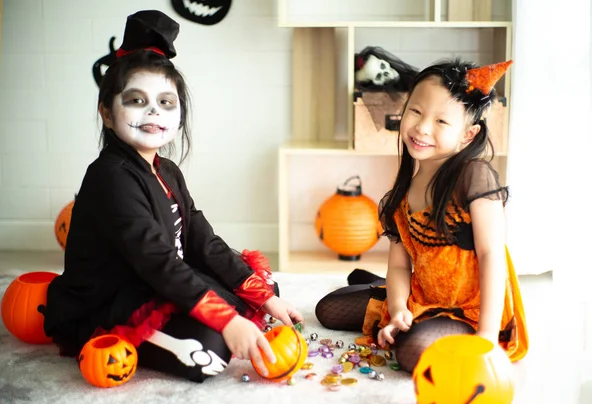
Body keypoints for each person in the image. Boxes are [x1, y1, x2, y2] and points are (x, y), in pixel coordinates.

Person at [42, 10, 303, 383]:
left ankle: (228, 314)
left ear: (179, 116)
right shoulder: (109, 177)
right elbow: (156, 261)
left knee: (260, 292)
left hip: (160, 280)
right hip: (115, 298)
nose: (153, 111)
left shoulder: (167, 170)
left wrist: (264, 297)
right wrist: (226, 321)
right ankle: (126, 336)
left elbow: (202, 241)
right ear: (107, 113)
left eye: (166, 102)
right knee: (212, 352)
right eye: (136, 100)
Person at [315, 58, 528, 372]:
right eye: (415, 111)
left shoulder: (474, 177)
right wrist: (399, 308)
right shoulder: (401, 194)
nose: (422, 128)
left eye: (441, 122)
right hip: (422, 296)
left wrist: (485, 336)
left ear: (468, 135)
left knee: (413, 350)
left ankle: (395, 302)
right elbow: (400, 266)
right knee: (327, 311)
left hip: (470, 308)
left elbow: (491, 255)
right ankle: (378, 288)